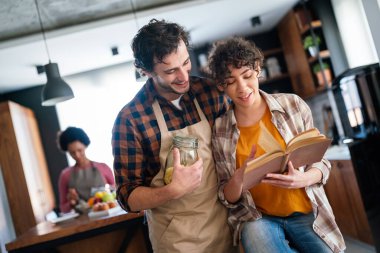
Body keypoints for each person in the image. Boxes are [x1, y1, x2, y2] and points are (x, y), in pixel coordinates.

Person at [207, 37, 346, 253]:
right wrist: (239, 178)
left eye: (247, 76)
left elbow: (322, 164)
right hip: (259, 219)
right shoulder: (220, 130)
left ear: (258, 70)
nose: (242, 88)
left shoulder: (293, 104)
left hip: (306, 213)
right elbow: (227, 197)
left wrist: (303, 178)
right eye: (231, 81)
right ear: (221, 85)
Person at [112, 19, 237, 252]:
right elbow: (127, 195)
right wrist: (172, 191)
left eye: (186, 63)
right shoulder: (131, 120)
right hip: (177, 239)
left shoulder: (210, 93)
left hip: (227, 224)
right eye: (170, 71)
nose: (183, 76)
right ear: (145, 71)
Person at [57, 126, 115, 213]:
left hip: (108, 214)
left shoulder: (103, 168)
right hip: (84, 221)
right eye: (72, 153)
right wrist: (72, 203)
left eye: (79, 150)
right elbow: (63, 208)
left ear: (85, 145)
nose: (77, 155)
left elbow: (117, 193)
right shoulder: (65, 175)